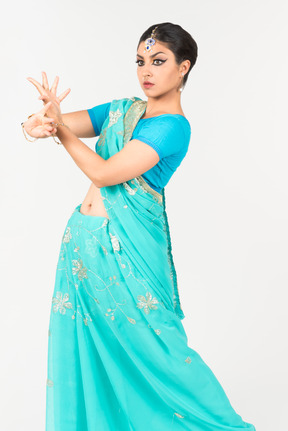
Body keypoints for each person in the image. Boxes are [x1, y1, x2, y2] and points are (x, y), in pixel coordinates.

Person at [22, 22, 256, 431]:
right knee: (91, 352)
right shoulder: (122, 110)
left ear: (183, 68)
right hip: (83, 246)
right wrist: (36, 123)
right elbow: (59, 122)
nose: (146, 70)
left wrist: (58, 128)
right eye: (141, 61)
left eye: (159, 61)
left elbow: (107, 171)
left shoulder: (171, 127)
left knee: (159, 348)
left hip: (126, 253)